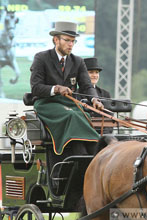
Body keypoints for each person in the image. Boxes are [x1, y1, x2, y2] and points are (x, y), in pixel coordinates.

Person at [30, 21, 103, 174]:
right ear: (56, 40)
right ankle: (89, 152)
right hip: (46, 103)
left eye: (73, 41)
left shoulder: (78, 61)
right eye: (67, 40)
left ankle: (90, 155)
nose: (71, 44)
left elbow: (87, 86)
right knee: (72, 115)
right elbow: (36, 87)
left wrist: (95, 99)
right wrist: (56, 88)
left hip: (68, 104)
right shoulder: (41, 58)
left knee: (82, 113)